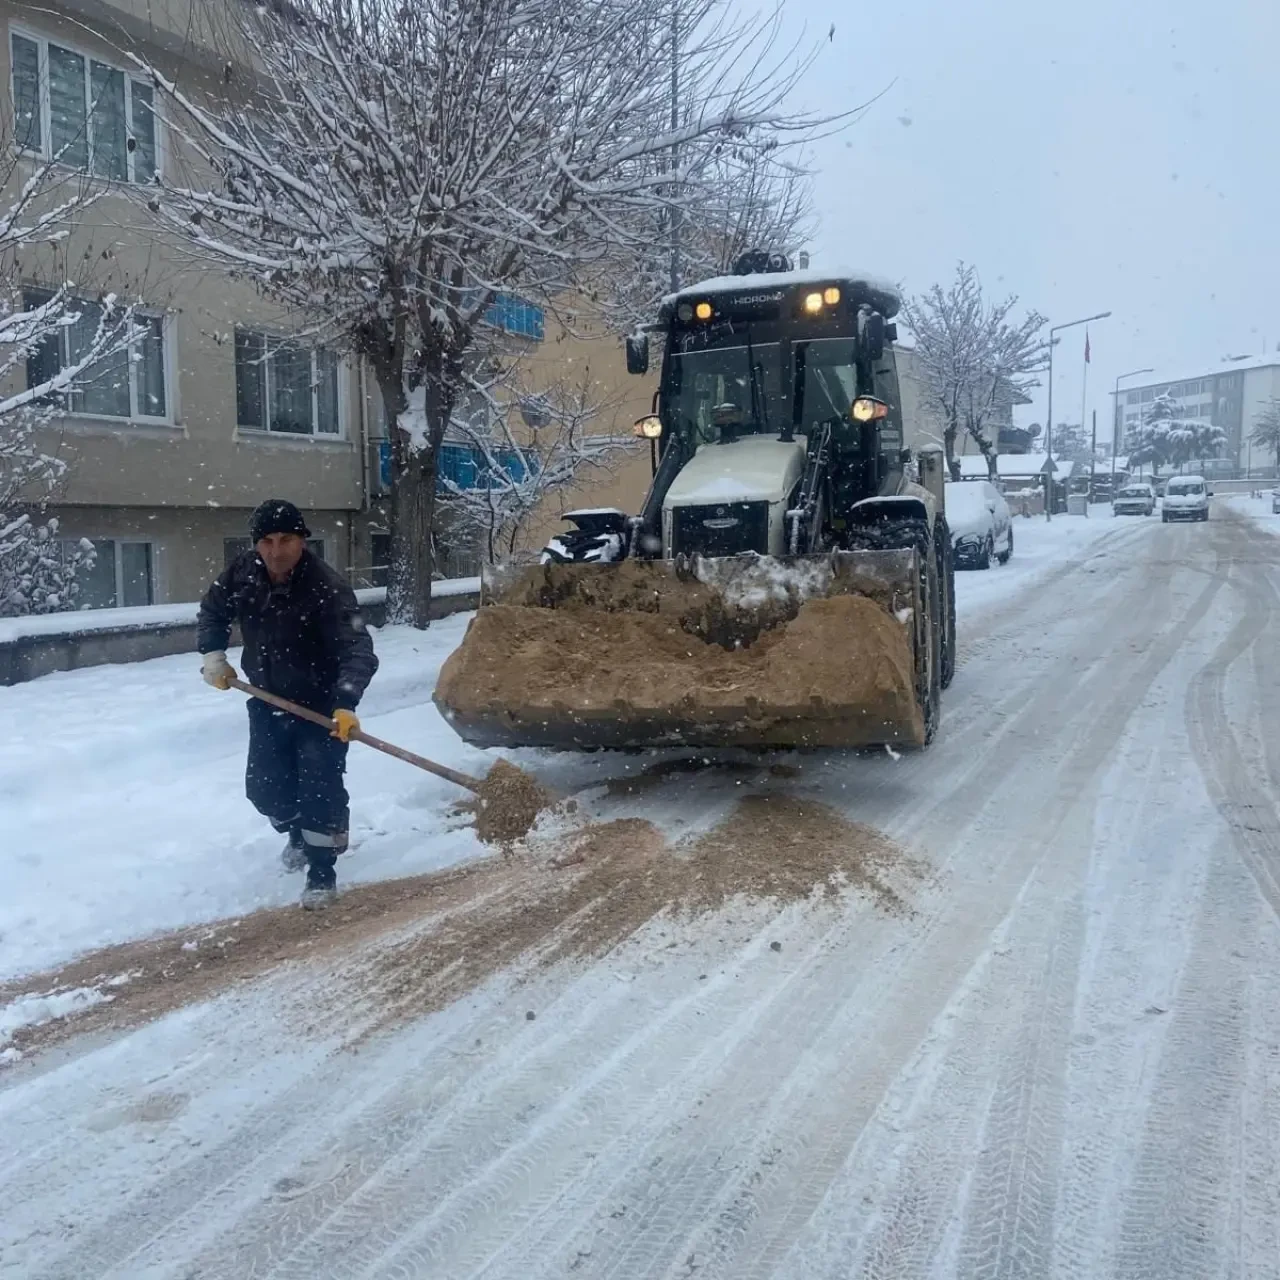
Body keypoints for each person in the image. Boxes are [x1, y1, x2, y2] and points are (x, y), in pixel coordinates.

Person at [197, 499, 379, 909]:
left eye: (287, 540)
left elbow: (358, 648)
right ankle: (298, 831)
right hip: (266, 702)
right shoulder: (243, 574)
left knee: (319, 788)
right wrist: (213, 655)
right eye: (267, 541)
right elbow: (213, 612)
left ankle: (321, 871)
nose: (276, 551)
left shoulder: (325, 587)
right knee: (265, 791)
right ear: (256, 544)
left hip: (320, 708)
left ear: (302, 541)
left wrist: (346, 703)